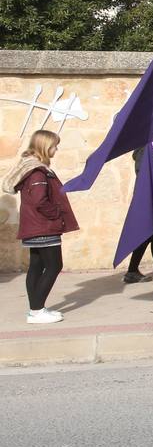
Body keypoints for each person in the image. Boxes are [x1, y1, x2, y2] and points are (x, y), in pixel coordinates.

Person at [4, 130, 78, 324]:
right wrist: (57, 214)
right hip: (44, 226)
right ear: (45, 146)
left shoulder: (32, 168)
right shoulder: (38, 171)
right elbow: (39, 201)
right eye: (54, 145)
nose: (56, 149)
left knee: (37, 266)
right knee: (54, 266)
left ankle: (36, 309)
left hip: (35, 226)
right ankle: (37, 311)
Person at [124, 137, 153, 284]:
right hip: (148, 200)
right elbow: (143, 176)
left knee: (152, 236)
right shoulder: (146, 151)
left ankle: (132, 271)